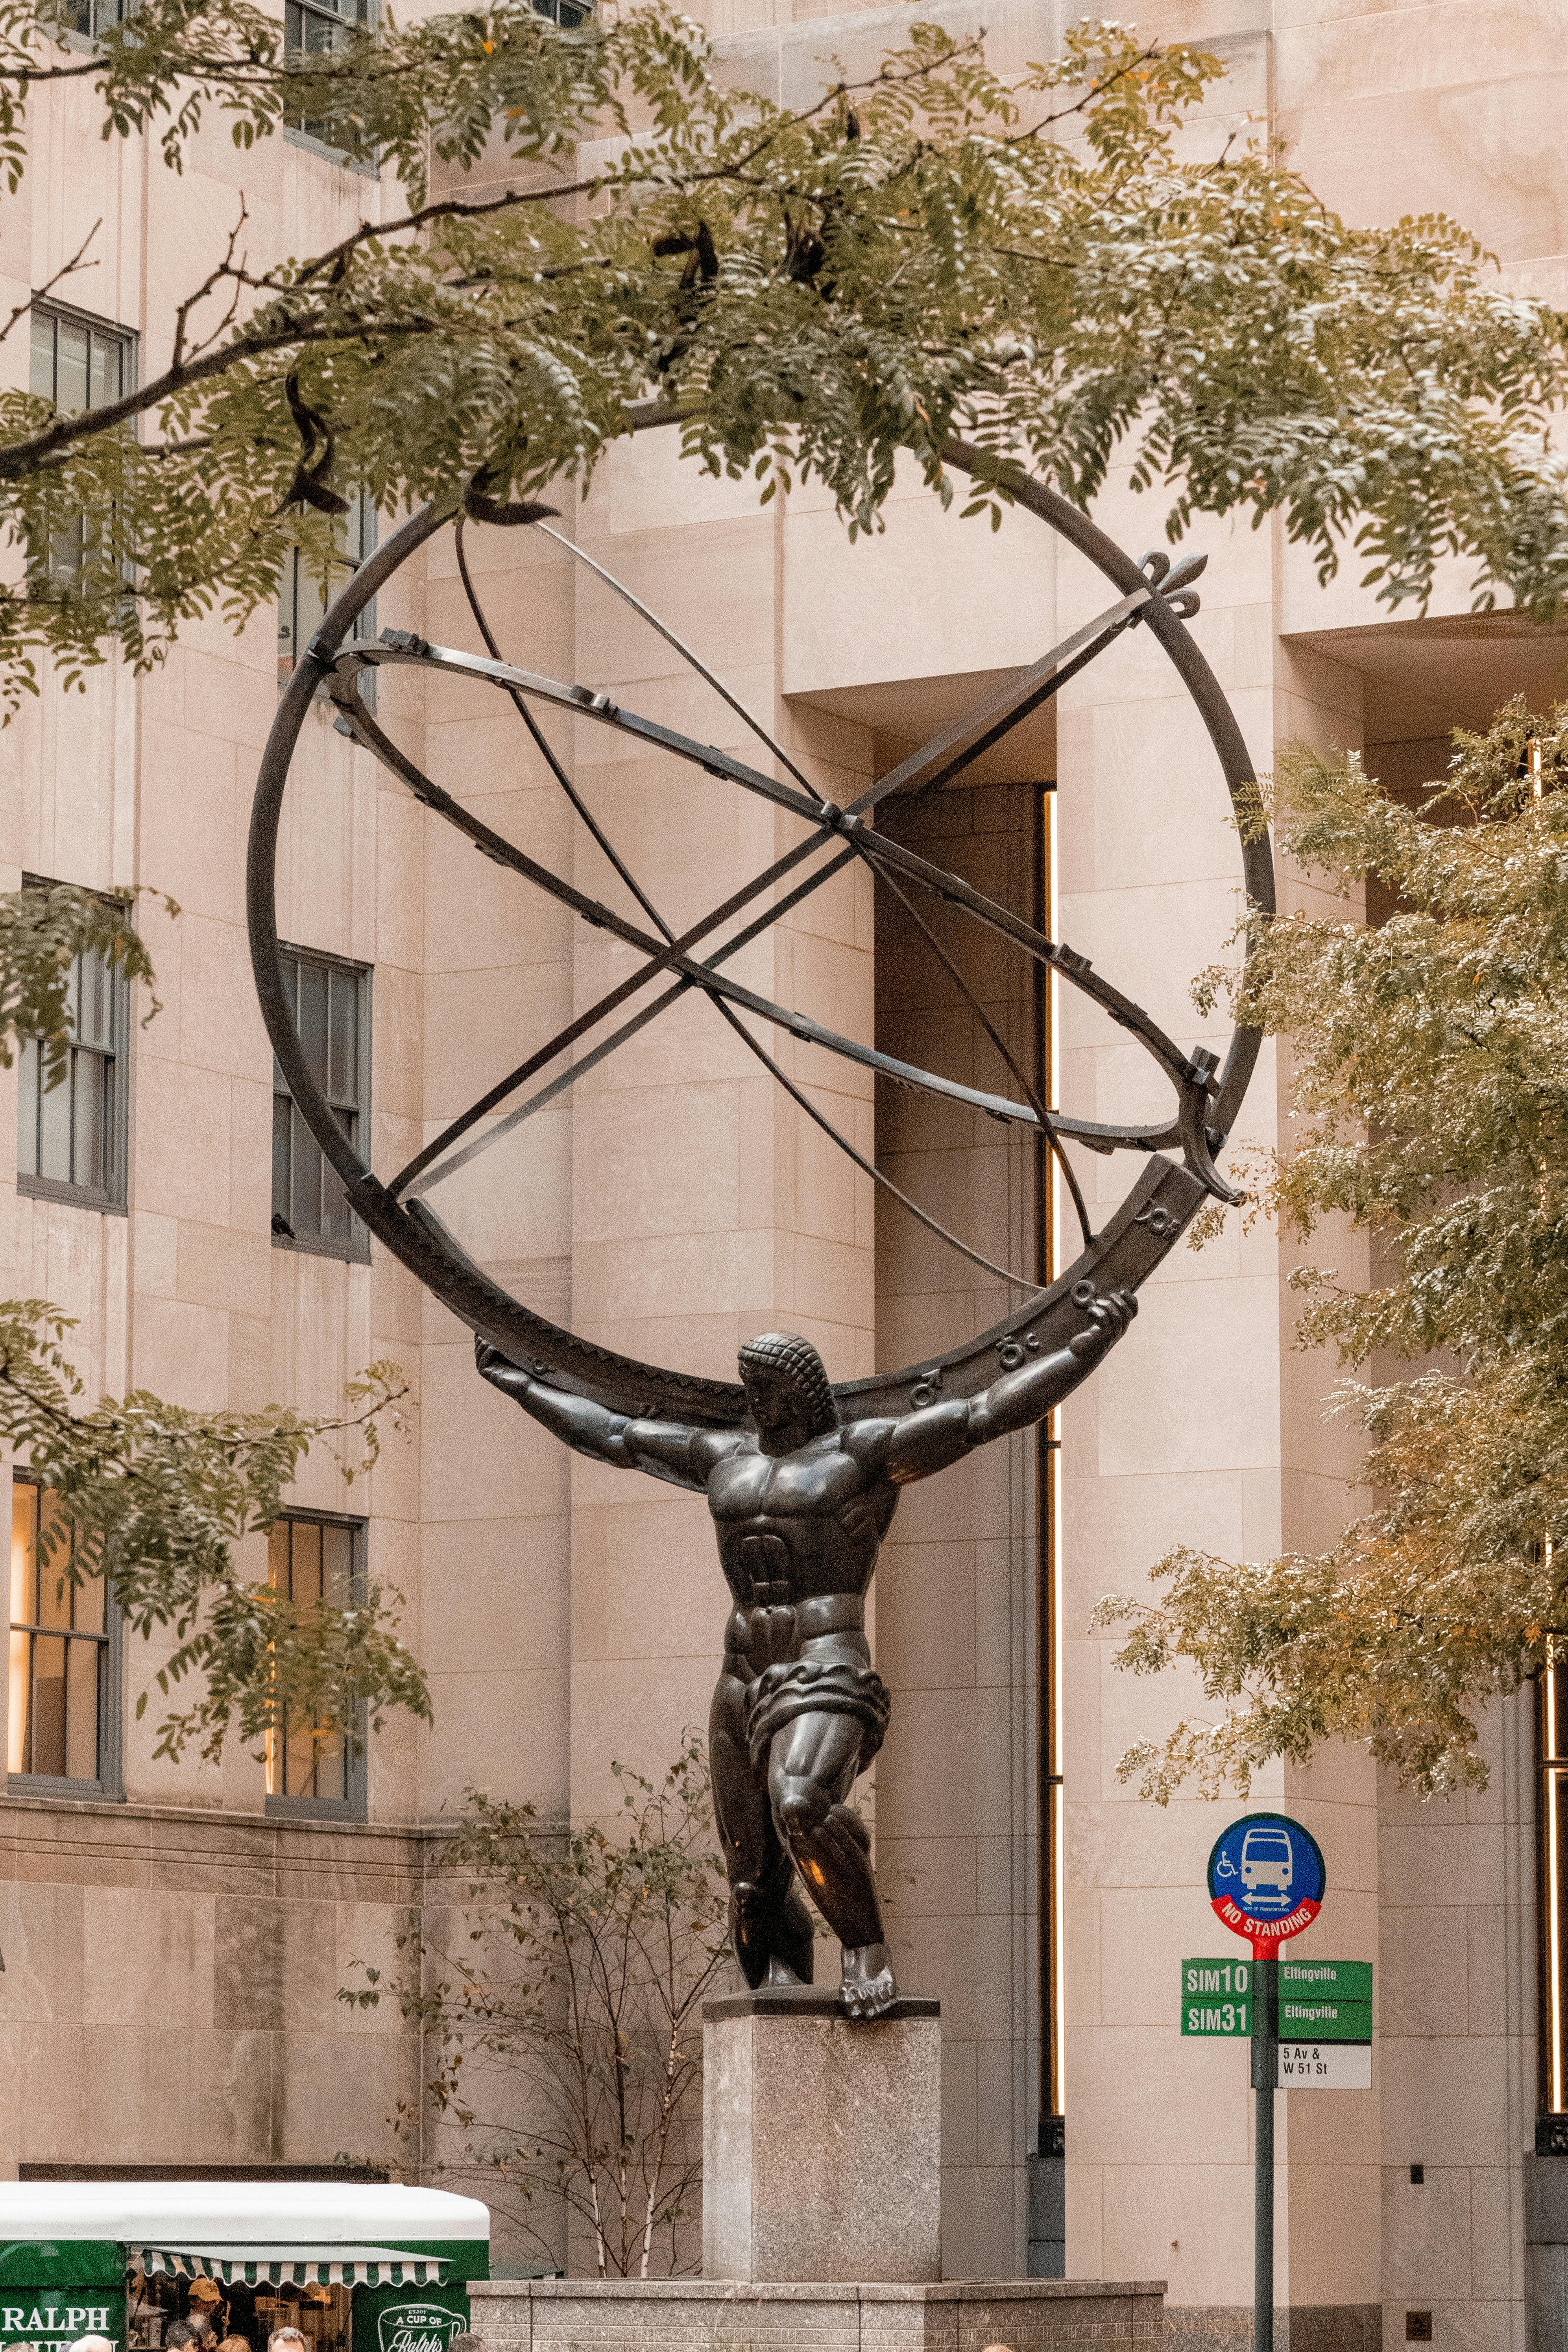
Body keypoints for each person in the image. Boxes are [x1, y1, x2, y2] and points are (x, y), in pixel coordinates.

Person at [477, 1287, 1135, 2017]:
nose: (759, 1401)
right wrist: (520, 1386)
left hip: (826, 1667)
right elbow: (614, 1436)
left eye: (771, 1387)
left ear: (806, 1390)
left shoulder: (865, 1454)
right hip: (741, 1676)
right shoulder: (719, 1455)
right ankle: (780, 2006)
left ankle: (866, 1946)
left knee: (801, 1800)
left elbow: (983, 1416)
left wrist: (1085, 1349)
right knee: (751, 1883)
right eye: (751, 1388)